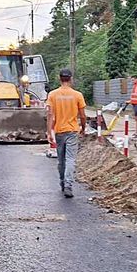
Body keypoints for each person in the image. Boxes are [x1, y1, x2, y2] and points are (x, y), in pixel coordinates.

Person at [46, 69, 86, 198]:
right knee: (70, 159)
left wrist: (49, 132)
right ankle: (68, 185)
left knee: (61, 159)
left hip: (59, 131)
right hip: (72, 131)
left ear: (60, 79)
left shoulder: (53, 95)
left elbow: (50, 115)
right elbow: (83, 115)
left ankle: (63, 182)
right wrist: (83, 128)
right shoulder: (77, 95)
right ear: (71, 79)